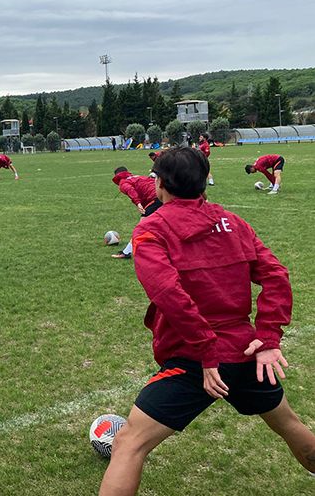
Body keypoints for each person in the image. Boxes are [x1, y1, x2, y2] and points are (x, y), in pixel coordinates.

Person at [98, 147, 315, 495]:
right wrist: (268, 337)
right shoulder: (235, 223)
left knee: (129, 445)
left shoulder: (151, 230)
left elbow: (168, 293)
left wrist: (208, 351)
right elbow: (277, 276)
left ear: (160, 185)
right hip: (245, 353)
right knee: (289, 424)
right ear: (203, 183)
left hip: (195, 358)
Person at [110, 167, 162, 259]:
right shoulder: (138, 177)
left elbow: (130, 190)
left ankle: (126, 253)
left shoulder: (123, 183)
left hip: (155, 200)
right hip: (163, 196)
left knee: (141, 227)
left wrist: (137, 203)